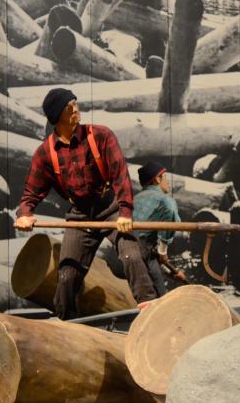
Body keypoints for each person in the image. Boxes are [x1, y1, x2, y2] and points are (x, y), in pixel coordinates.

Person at [15, 88, 158, 319]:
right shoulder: (45, 154)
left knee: (131, 254)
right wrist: (25, 213)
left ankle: (151, 309)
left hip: (111, 210)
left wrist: (125, 212)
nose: (75, 109)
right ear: (56, 116)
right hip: (80, 218)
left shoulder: (100, 136)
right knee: (66, 277)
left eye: (75, 103)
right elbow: (31, 193)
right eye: (67, 107)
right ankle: (70, 325)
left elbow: (120, 176)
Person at [133, 161, 186, 297]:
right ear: (157, 179)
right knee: (159, 299)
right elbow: (168, 221)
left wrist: (172, 274)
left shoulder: (134, 199)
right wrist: (163, 251)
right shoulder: (165, 200)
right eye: (166, 178)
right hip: (145, 254)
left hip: (129, 254)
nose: (168, 182)